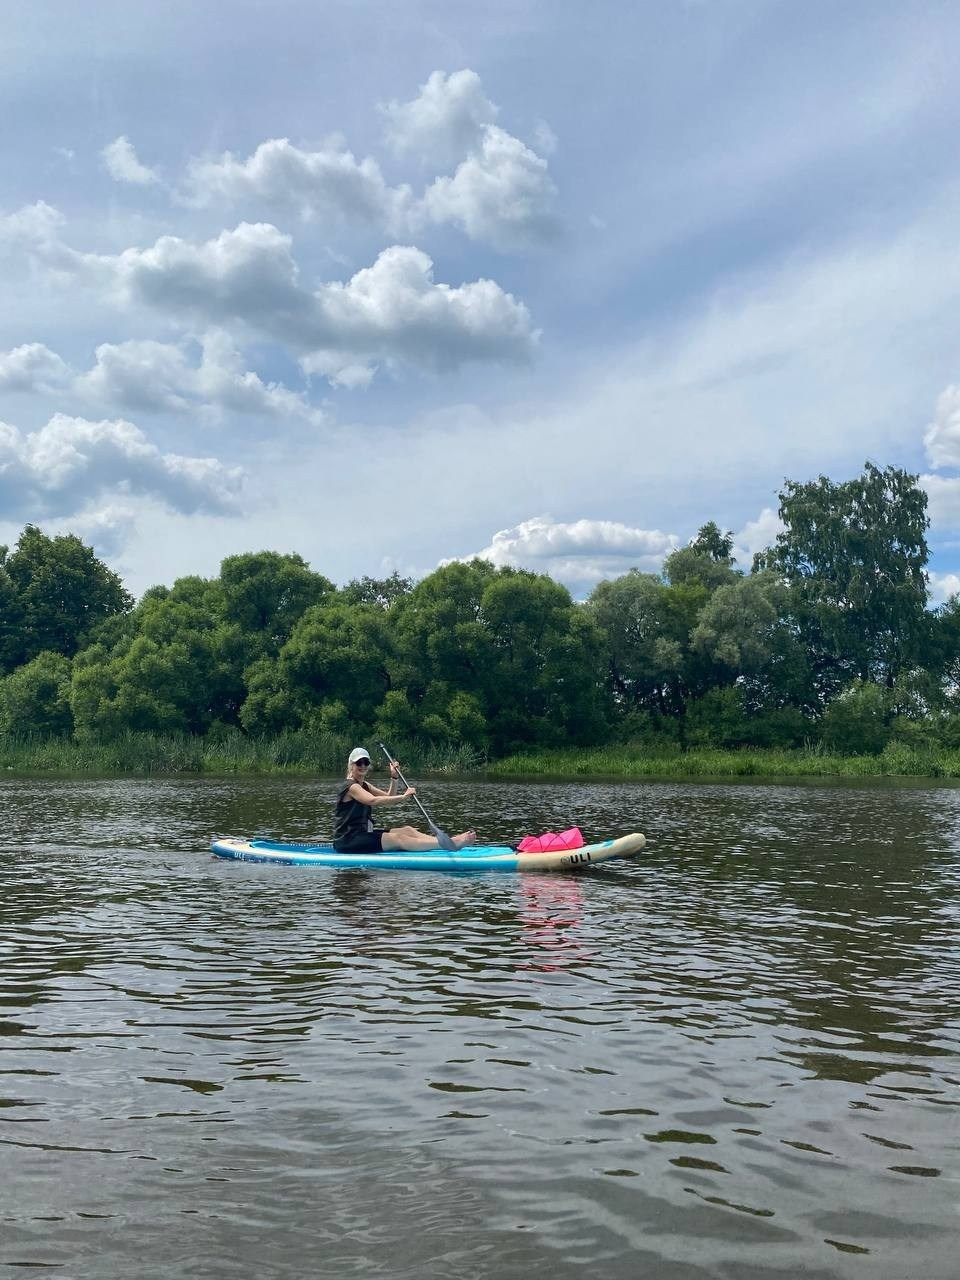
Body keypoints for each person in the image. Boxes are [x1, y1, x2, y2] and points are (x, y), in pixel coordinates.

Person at [332, 747, 476, 854]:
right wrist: (403, 797)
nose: (363, 766)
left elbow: (388, 796)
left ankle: (441, 842)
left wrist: (394, 777)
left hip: (362, 834)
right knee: (398, 838)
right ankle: (451, 843)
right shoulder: (351, 786)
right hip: (347, 840)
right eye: (359, 763)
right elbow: (373, 801)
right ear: (352, 765)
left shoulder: (364, 785)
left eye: (366, 762)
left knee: (408, 830)